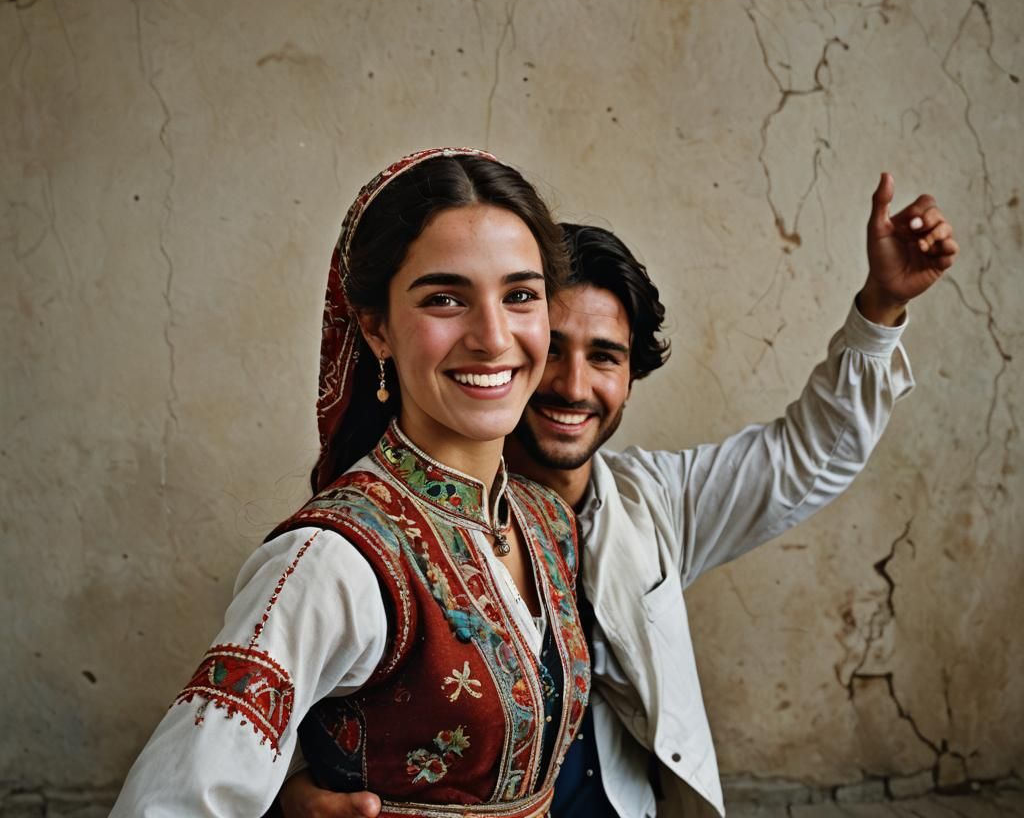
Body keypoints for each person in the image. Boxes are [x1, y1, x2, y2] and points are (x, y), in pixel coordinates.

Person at [278, 174, 958, 818]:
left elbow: (809, 455)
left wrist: (881, 307)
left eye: (605, 356)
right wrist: (290, 791)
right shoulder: (374, 535)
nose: (573, 387)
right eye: (555, 350)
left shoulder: (654, 503)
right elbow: (271, 722)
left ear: (633, 376)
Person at [111, 148, 592, 818]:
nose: (492, 335)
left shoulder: (544, 524)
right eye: (446, 299)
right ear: (376, 329)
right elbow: (167, 805)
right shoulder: (336, 558)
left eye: (519, 296)